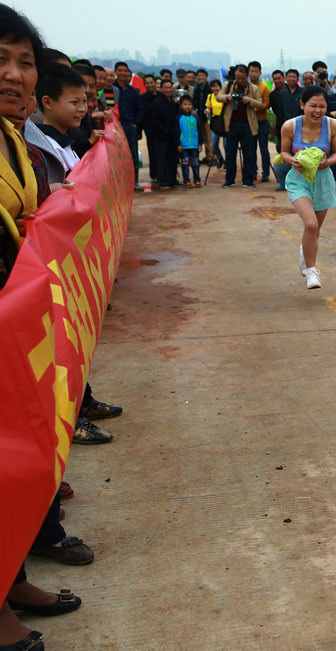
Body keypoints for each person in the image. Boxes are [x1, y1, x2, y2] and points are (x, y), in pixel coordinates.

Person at [0, 10, 85, 649]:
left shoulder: (10, 139)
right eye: (2, 59)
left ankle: (13, 576)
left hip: (19, 318)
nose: (13, 74)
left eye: (24, 62)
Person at [279, 86, 336, 290]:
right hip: (298, 180)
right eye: (312, 105)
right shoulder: (290, 126)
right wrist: (294, 159)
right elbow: (284, 152)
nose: (317, 110)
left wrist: (327, 162)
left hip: (323, 180)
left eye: (322, 106)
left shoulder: (333, 126)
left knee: (314, 230)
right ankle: (311, 271)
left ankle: (304, 252)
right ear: (302, 105)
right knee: (311, 225)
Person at [216, 64, 263, 188]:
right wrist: (228, 97)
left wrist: (249, 101)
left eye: (242, 78)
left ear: (247, 76)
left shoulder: (253, 88)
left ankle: (247, 180)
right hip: (231, 125)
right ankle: (229, 180)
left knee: (249, 154)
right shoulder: (229, 85)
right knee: (230, 153)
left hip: (248, 125)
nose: (240, 81)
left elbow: (260, 104)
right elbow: (218, 97)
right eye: (238, 78)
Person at [36, 65, 88, 175]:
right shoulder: (48, 147)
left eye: (84, 101)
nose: (82, 109)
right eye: (74, 102)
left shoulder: (64, 141)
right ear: (48, 103)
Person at [269, 69, 302, 191]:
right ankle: (284, 182)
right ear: (286, 78)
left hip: (300, 129)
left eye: (294, 76)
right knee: (283, 157)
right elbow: (278, 112)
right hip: (284, 128)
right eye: (289, 76)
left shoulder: (302, 93)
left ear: (298, 79)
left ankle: (300, 182)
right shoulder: (281, 94)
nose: (292, 78)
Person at [143, 79, 180, 189]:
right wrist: (164, 131)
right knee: (162, 159)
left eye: (170, 87)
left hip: (173, 136)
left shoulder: (173, 103)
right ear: (161, 89)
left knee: (172, 158)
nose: (168, 90)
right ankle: (162, 181)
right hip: (161, 136)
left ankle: (172, 179)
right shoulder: (156, 103)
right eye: (166, 88)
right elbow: (154, 121)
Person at [112, 61, 144, 189]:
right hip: (114, 127)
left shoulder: (133, 91)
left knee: (133, 155)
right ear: (116, 72)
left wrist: (136, 124)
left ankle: (134, 182)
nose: (123, 73)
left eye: (125, 71)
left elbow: (141, 109)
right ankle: (118, 183)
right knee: (116, 155)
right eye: (120, 70)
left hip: (129, 125)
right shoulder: (111, 89)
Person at [248, 61, 272, 182]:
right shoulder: (246, 87)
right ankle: (252, 172)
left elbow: (267, 104)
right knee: (251, 148)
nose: (254, 74)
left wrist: (255, 107)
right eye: (251, 71)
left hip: (262, 121)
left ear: (260, 73)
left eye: (256, 71)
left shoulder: (264, 87)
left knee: (263, 148)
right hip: (249, 122)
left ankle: (266, 173)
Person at [176, 96, 201, 188]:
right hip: (184, 146)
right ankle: (187, 181)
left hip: (194, 146)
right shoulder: (179, 118)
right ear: (181, 105)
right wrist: (178, 144)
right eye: (185, 104)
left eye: (189, 104)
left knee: (195, 164)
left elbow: (199, 131)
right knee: (185, 165)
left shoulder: (194, 118)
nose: (187, 106)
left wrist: (200, 143)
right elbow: (177, 132)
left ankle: (197, 180)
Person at [192, 69, 213, 163]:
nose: (201, 77)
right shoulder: (197, 88)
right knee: (203, 138)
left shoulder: (209, 88)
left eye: (202, 75)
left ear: (206, 76)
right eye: (199, 75)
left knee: (209, 139)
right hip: (199, 115)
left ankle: (212, 157)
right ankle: (207, 157)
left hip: (208, 116)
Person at [205, 79, 225, 167]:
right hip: (215, 123)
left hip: (225, 123)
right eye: (213, 86)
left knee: (226, 145)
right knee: (214, 143)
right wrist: (207, 110)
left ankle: (228, 163)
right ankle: (220, 159)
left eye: (217, 86)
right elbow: (209, 107)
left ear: (220, 87)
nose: (215, 88)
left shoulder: (224, 96)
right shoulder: (210, 96)